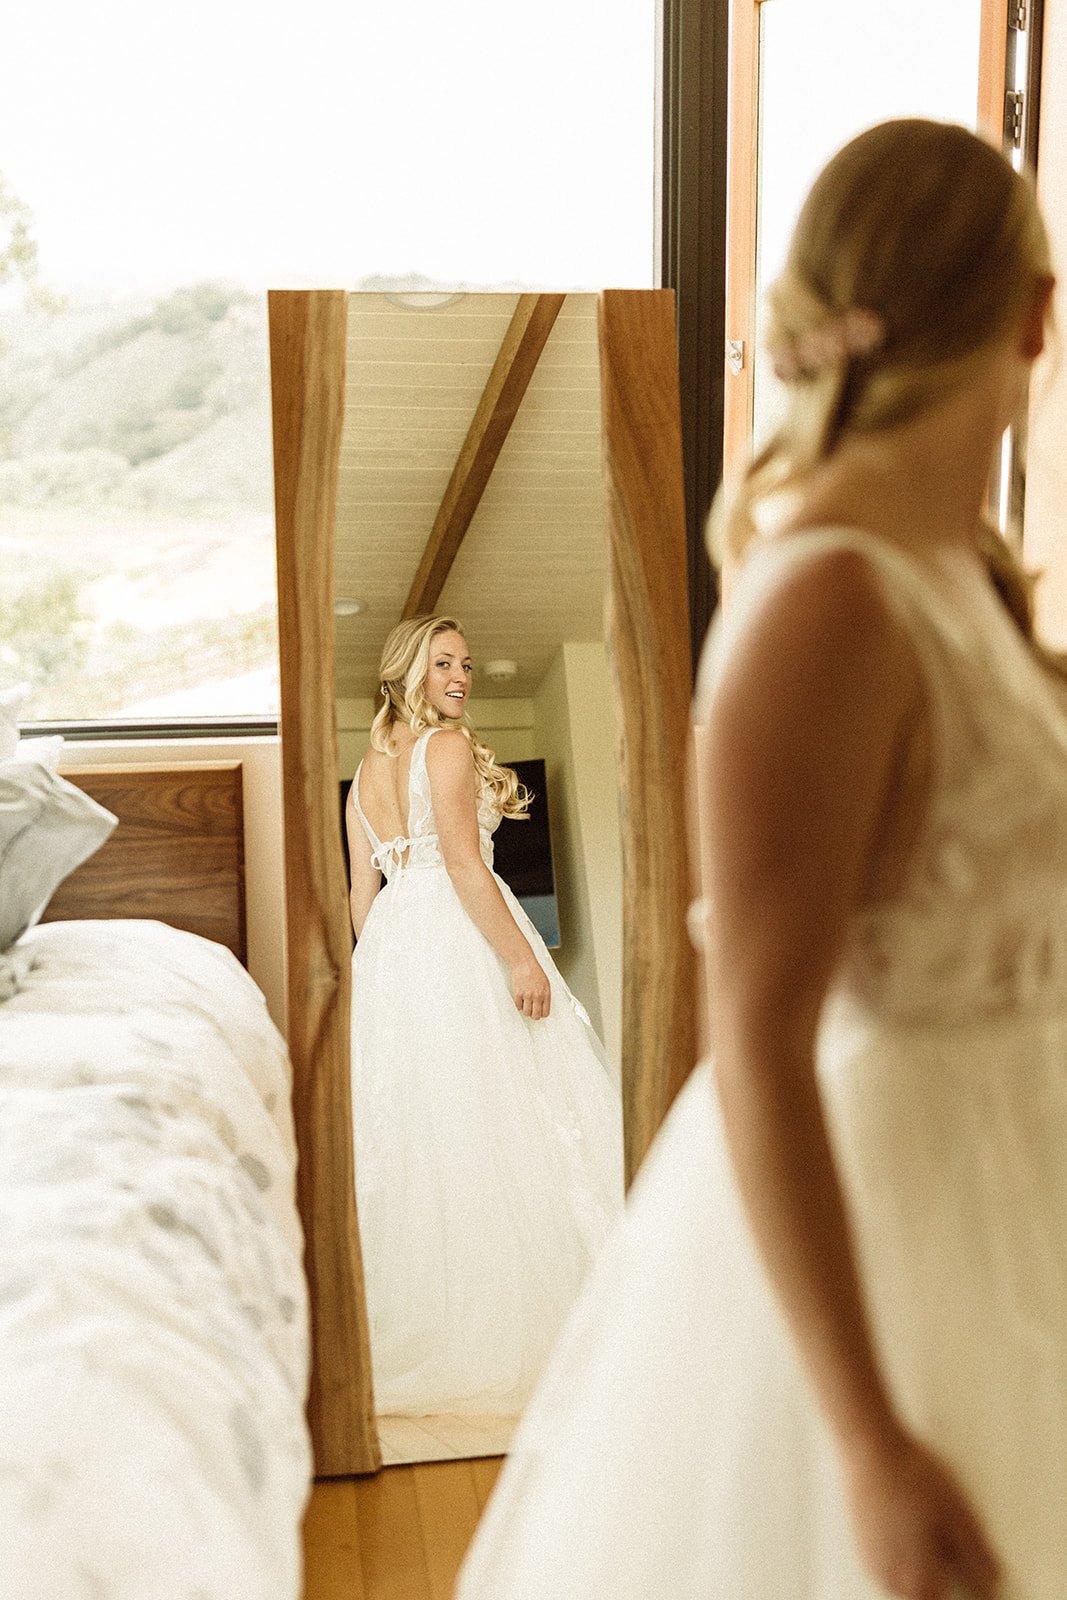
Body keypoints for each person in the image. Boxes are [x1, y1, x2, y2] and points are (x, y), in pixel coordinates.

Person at [456, 119, 1065, 1599]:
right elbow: (757, 1041)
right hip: (903, 1221)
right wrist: (866, 1443)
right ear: (1030, 318)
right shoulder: (822, 606)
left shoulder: (958, 579)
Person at [346, 614, 623, 1417]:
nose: (461, 677)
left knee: (429, 1134)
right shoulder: (445, 749)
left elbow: (363, 899)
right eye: (443, 665)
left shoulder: (366, 772)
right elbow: (465, 865)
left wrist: (391, 974)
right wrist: (520, 957)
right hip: (462, 936)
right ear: (408, 672)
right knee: (508, 1115)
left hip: (395, 950)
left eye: (465, 664)